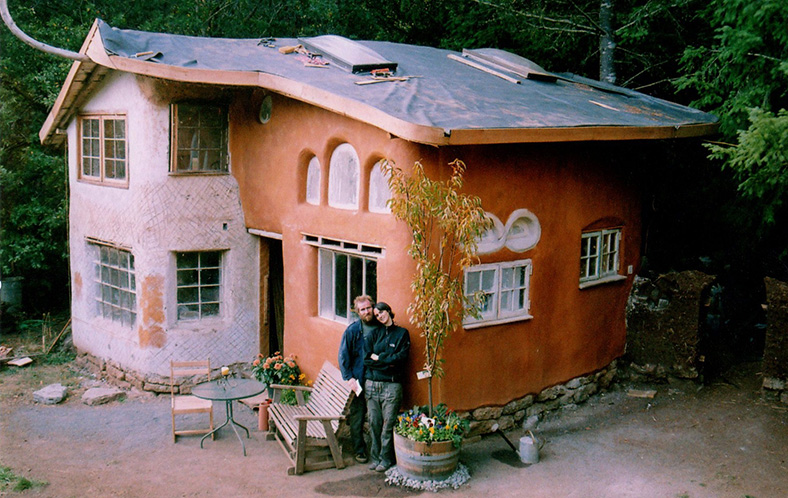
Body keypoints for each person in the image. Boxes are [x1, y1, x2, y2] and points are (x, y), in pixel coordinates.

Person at [364, 302, 410, 472]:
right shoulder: (374, 334)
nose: (380, 316)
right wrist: (387, 361)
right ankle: (375, 458)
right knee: (374, 423)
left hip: (391, 386)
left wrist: (380, 358)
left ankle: (387, 459)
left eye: (381, 312)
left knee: (388, 425)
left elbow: (401, 359)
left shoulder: (402, 334)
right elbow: (366, 359)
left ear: (389, 311)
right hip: (372, 385)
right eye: (376, 315)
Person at [338, 295, 380, 464]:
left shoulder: (381, 327)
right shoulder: (353, 330)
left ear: (373, 307)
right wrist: (349, 378)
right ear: (358, 312)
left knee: (378, 417)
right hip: (359, 382)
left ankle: (381, 452)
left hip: (378, 380)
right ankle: (359, 450)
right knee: (357, 417)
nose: (366, 311)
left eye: (369, 308)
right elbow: (343, 355)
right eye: (363, 309)